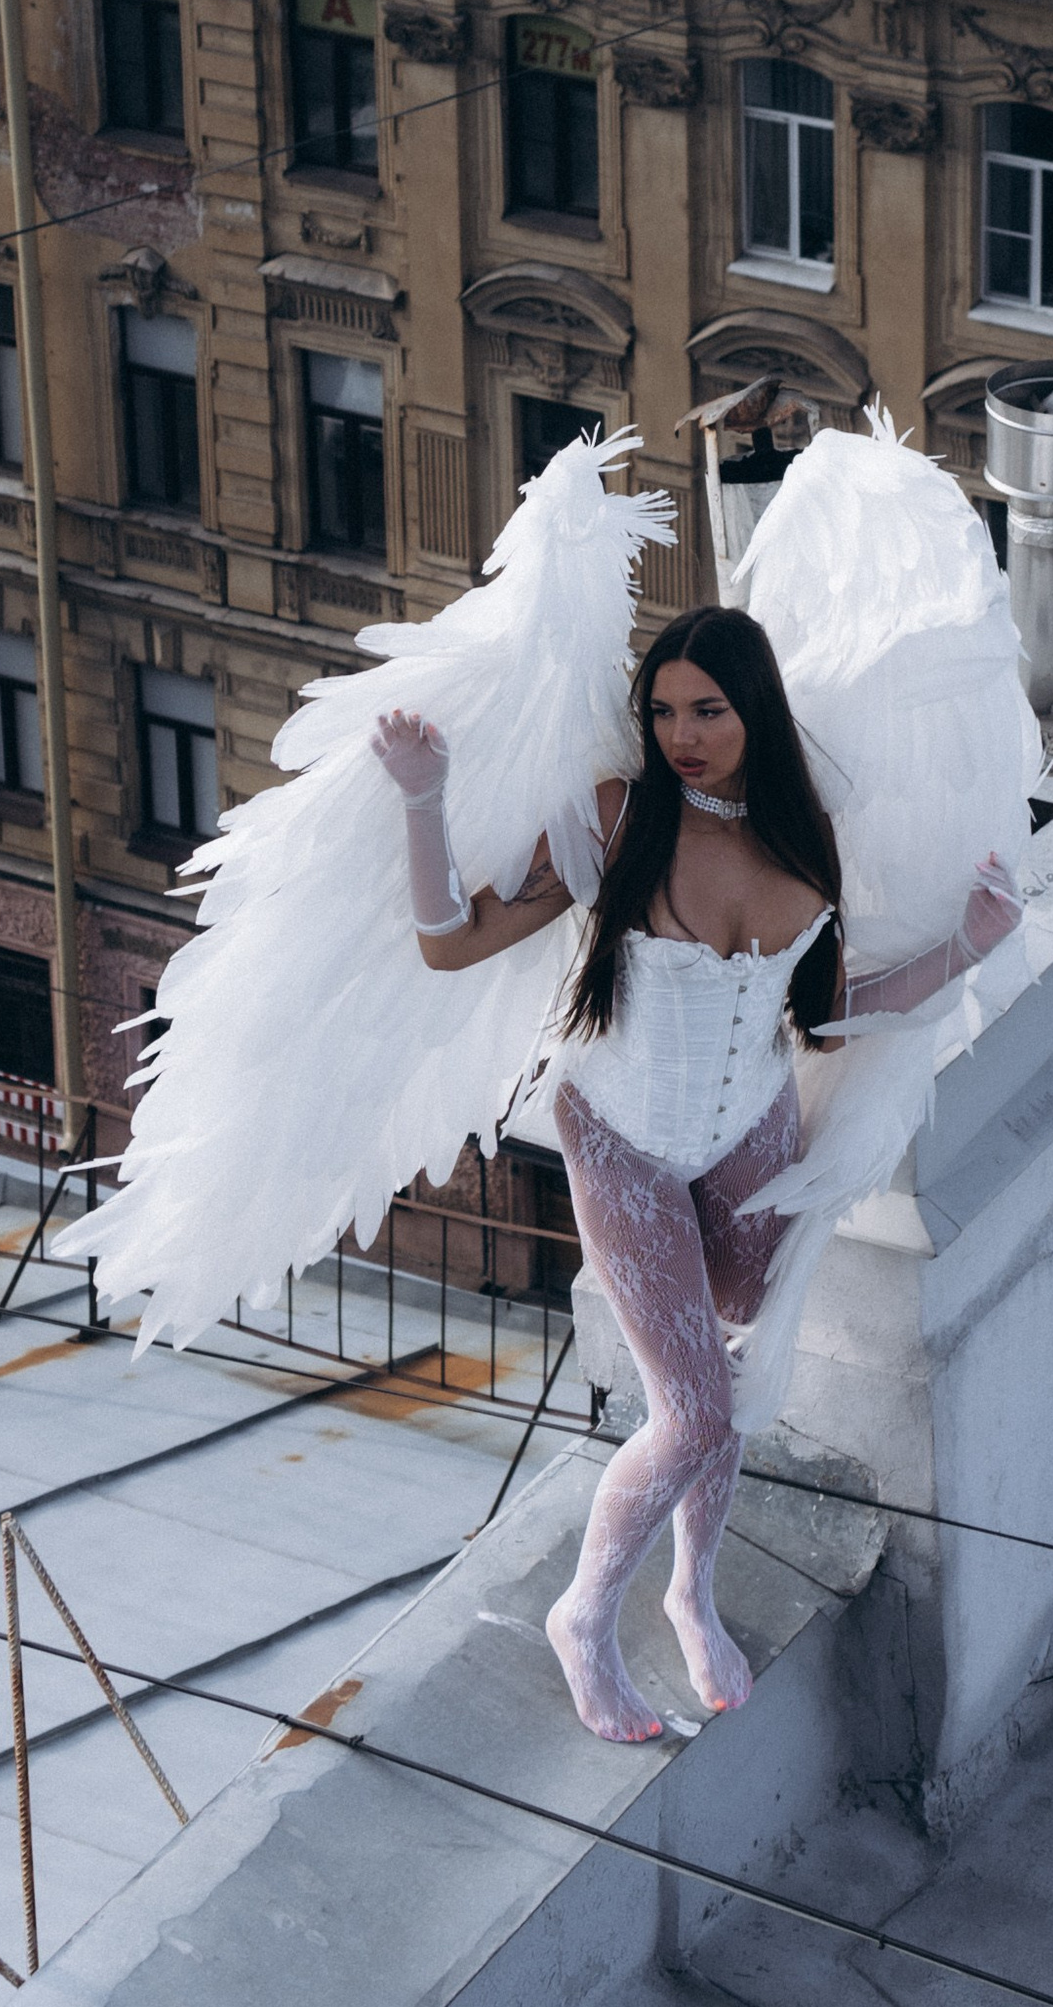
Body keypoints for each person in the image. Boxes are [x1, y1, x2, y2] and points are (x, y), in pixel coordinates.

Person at [375, 602, 1017, 1746]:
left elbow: (828, 1018)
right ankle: (586, 1617)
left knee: (735, 1370)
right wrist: (421, 796)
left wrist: (965, 946)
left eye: (707, 710)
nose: (681, 732)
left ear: (752, 712)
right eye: (663, 710)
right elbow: (447, 939)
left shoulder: (805, 839)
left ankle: (692, 1588)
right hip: (619, 1128)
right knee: (693, 1414)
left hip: (749, 1125)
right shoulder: (619, 821)